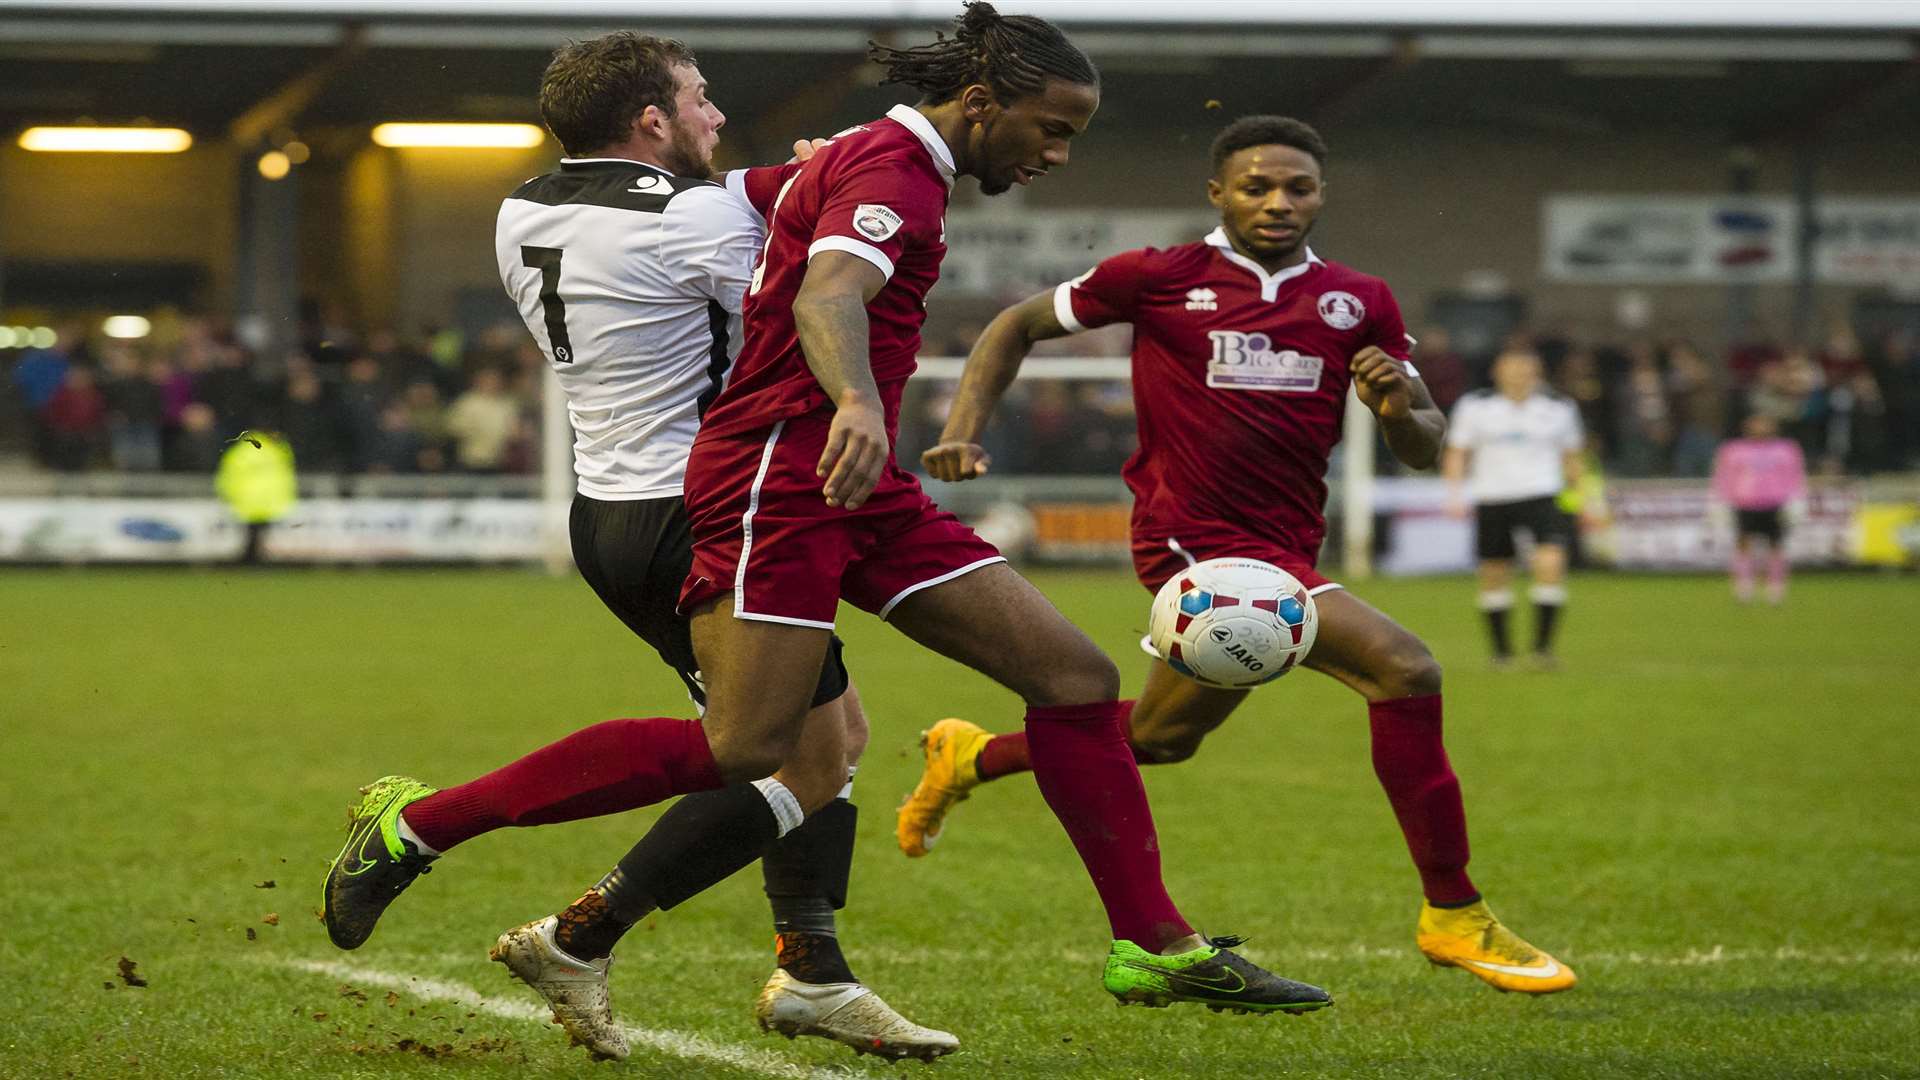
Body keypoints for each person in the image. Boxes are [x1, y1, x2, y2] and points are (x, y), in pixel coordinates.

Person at [322, 31, 953, 1062]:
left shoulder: (525, 202)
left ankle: (811, 969)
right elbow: (810, 302)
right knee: (771, 749)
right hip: (706, 509)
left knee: (821, 744)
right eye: (700, 100)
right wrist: (842, 199)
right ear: (653, 120)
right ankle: (432, 833)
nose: (715, 117)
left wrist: (800, 174)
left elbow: (693, 214)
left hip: (609, 510)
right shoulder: (694, 218)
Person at [901, 114, 1577, 995]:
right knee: (1405, 670)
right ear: (1218, 193)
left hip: (1289, 546)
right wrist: (962, 430)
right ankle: (1454, 912)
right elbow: (1016, 324)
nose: (1278, 202)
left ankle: (972, 757)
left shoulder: (1357, 300)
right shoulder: (1158, 276)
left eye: (1298, 187)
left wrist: (1400, 407)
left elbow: (1421, 442)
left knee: (1159, 738)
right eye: (1257, 186)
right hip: (1194, 545)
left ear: (1320, 195)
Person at [1442, 348, 1585, 669]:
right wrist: (1454, 493)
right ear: (1498, 371)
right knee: (1494, 573)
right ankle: (1502, 653)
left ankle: (1542, 650)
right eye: (1512, 368)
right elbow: (1457, 451)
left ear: (1537, 373)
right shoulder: (1475, 406)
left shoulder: (1559, 408)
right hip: (1493, 497)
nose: (1519, 374)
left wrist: (1580, 497)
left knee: (1550, 564)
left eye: (1526, 368)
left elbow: (1572, 457)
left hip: (1543, 495)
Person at [1709, 412, 1807, 605]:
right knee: (1743, 544)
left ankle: (1776, 587)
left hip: (1775, 502)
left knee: (1776, 546)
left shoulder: (1786, 449)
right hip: (1745, 502)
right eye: (1757, 423)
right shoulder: (1733, 450)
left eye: (1765, 423)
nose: (1761, 428)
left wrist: (1797, 500)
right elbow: (1723, 477)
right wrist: (1719, 501)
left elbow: (1795, 476)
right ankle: (1744, 586)